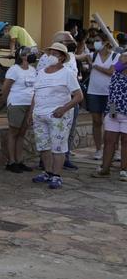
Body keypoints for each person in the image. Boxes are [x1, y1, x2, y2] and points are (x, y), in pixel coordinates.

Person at [30, 42, 83, 190]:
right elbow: (35, 93)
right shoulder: (40, 73)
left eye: (54, 54)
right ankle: (47, 172)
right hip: (39, 115)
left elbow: (78, 96)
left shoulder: (67, 73)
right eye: (50, 53)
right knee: (43, 146)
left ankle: (56, 175)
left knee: (58, 147)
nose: (50, 56)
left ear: (61, 57)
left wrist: (63, 109)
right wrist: (31, 113)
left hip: (58, 116)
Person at [91, 53, 127, 181]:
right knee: (109, 140)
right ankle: (105, 169)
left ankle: (124, 170)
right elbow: (114, 68)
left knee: (125, 142)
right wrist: (122, 59)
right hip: (113, 109)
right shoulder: (117, 72)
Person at [1, 47, 37, 173]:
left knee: (22, 133)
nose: (31, 55)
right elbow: (5, 88)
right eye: (28, 53)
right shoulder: (14, 70)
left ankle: (19, 160)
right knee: (14, 132)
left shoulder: (33, 70)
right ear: (22, 56)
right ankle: (11, 161)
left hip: (29, 105)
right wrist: (6, 102)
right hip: (16, 103)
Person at [86, 36, 118, 160]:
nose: (95, 43)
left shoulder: (115, 56)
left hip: (112, 95)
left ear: (105, 42)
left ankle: (115, 150)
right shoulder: (92, 55)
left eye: (98, 40)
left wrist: (94, 66)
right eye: (94, 40)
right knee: (96, 121)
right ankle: (98, 150)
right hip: (94, 93)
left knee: (113, 121)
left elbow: (111, 72)